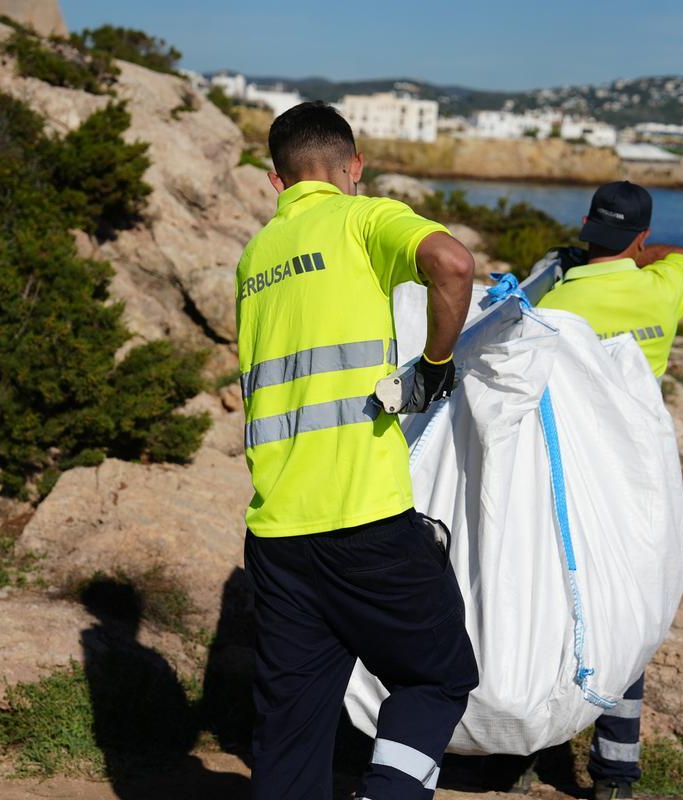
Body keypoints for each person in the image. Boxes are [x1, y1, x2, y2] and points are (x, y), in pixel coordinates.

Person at [234, 101, 479, 800]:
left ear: (275, 181)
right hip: (364, 518)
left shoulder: (255, 258)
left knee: (290, 732)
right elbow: (453, 266)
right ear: (355, 167)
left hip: (278, 531)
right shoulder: (362, 218)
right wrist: (434, 363)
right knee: (437, 674)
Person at [536, 180, 683, 799]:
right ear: (641, 237)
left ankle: (524, 753)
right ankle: (615, 775)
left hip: (566, 473)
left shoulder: (557, 298)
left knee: (558, 612)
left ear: (584, 227)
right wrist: (645, 256)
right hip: (637, 479)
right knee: (626, 620)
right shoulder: (662, 289)